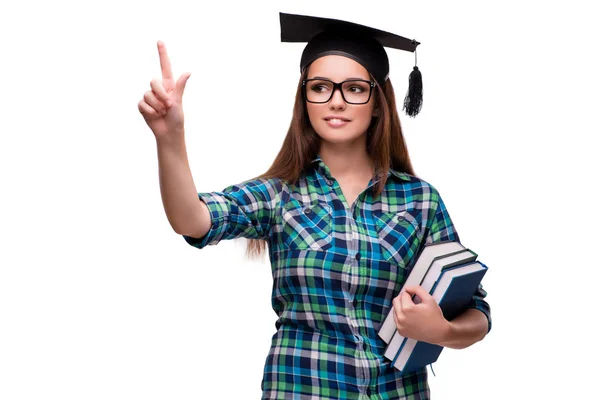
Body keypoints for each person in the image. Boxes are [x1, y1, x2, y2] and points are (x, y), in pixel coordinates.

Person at [137, 12, 491, 400]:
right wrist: (170, 138)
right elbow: (193, 219)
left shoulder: (419, 201)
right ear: (304, 98)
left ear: (377, 102)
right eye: (320, 87)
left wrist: (441, 331)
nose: (336, 101)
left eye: (354, 89)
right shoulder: (278, 194)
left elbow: (475, 311)